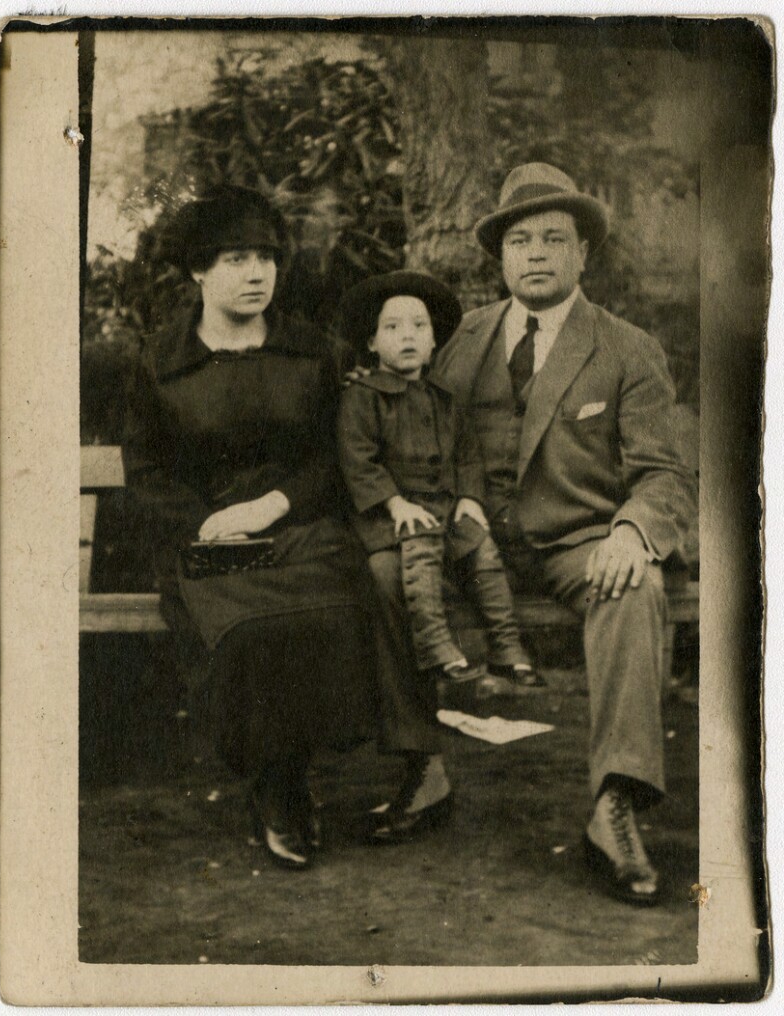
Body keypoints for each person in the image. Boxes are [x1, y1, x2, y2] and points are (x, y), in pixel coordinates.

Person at [430, 162, 697, 904]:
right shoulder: (461, 340)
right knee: (385, 570)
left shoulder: (626, 348)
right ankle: (417, 770)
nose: (536, 254)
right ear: (501, 257)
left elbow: (664, 474)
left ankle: (616, 804)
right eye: (520, 241)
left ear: (583, 253)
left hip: (577, 546)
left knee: (635, 587)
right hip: (471, 546)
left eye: (554, 238)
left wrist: (632, 532)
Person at [121, 186, 376, 872]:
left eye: (265, 257)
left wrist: (272, 506)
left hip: (297, 529)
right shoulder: (161, 361)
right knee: (247, 632)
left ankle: (295, 770)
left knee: (328, 611)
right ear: (198, 270)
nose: (257, 273)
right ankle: (276, 785)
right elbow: (146, 470)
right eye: (235, 259)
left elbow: (335, 457)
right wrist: (206, 523)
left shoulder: (314, 353)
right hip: (204, 544)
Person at [337, 271, 537, 696]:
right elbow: (359, 460)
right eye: (392, 328)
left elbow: (467, 454)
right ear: (372, 343)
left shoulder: (444, 398)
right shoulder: (363, 397)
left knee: (482, 549)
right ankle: (437, 646)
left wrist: (469, 499)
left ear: (433, 343)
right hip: (389, 518)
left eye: (419, 326)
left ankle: (506, 647)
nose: (407, 336)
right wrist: (395, 503)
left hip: (445, 510)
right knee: (420, 546)